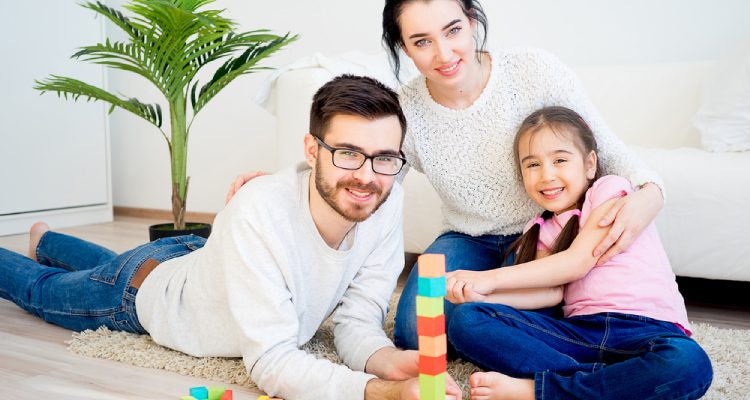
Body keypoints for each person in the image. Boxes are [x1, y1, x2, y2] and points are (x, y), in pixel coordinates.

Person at [227, 0, 668, 353]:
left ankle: (537, 343)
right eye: (421, 41)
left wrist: (651, 195)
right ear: (403, 48)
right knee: (415, 334)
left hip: (545, 234)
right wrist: (289, 183)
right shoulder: (407, 110)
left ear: (472, 21)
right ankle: (499, 328)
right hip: (469, 237)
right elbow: (369, 178)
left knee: (524, 311)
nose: (443, 54)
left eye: (452, 30)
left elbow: (609, 154)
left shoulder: (535, 70)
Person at [0, 75, 462, 400]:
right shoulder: (260, 211)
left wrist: (385, 361)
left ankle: (46, 241)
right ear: (311, 149)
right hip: (143, 293)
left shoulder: (387, 197)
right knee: (42, 292)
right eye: (347, 153)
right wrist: (383, 394)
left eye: (384, 158)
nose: (367, 177)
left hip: (196, 257)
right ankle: (39, 252)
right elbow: (273, 363)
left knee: (114, 264)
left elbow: (358, 318)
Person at [443, 106, 713, 400]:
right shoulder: (538, 229)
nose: (547, 175)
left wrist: (488, 279)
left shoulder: (609, 190)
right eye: (533, 165)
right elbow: (551, 293)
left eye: (560, 160)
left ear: (589, 164)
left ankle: (540, 391)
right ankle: (609, 386)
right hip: (579, 334)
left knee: (688, 363)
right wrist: (482, 296)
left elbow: (578, 262)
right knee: (466, 319)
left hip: (649, 331)